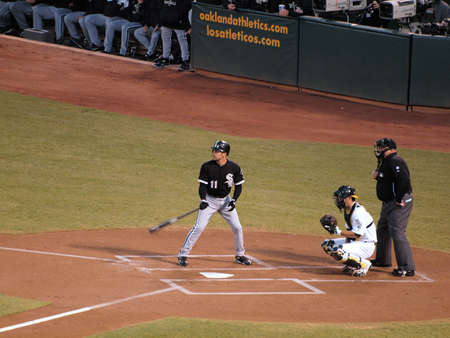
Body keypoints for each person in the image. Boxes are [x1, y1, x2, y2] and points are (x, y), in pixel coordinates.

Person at [177, 140, 251, 267]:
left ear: (224, 154)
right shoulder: (207, 166)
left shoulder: (234, 168)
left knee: (237, 227)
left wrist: (234, 200)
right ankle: (183, 254)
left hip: (226, 201)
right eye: (214, 150)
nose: (214, 153)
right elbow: (202, 186)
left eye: (217, 151)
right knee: (199, 227)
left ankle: (240, 255)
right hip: (209, 201)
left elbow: (238, 186)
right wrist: (203, 200)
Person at [371, 138, 415, 277]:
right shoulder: (386, 161)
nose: (378, 150)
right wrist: (379, 176)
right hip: (388, 202)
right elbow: (389, 179)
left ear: (388, 148)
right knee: (383, 228)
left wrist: (399, 198)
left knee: (397, 231)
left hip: (398, 202)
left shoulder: (396, 160)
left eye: (380, 147)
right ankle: (383, 260)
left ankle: (407, 267)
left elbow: (404, 180)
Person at [321, 185, 377, 277]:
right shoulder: (348, 210)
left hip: (366, 245)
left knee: (337, 251)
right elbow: (350, 233)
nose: (339, 200)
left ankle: (364, 265)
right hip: (357, 242)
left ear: (350, 198)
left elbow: (357, 234)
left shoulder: (358, 213)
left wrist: (338, 232)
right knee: (327, 245)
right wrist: (346, 245)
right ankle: (352, 264)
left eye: (341, 198)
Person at [153, 0, 191, 71]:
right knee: (165, 39)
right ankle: (165, 58)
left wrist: (186, 25)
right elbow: (160, 7)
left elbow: (186, 7)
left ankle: (185, 61)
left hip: (178, 21)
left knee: (182, 40)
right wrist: (159, 22)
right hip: (165, 20)